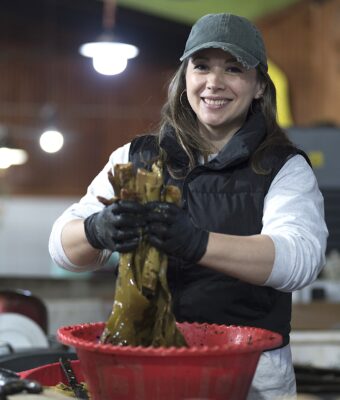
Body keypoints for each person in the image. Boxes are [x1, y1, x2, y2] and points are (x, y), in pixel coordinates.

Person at [49, 13, 328, 400]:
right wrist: (97, 230)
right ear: (185, 79)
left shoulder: (282, 167)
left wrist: (197, 243)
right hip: (144, 368)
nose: (214, 82)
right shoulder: (136, 157)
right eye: (201, 67)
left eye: (233, 68)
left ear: (259, 86)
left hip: (248, 379)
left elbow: (299, 259)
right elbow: (62, 248)